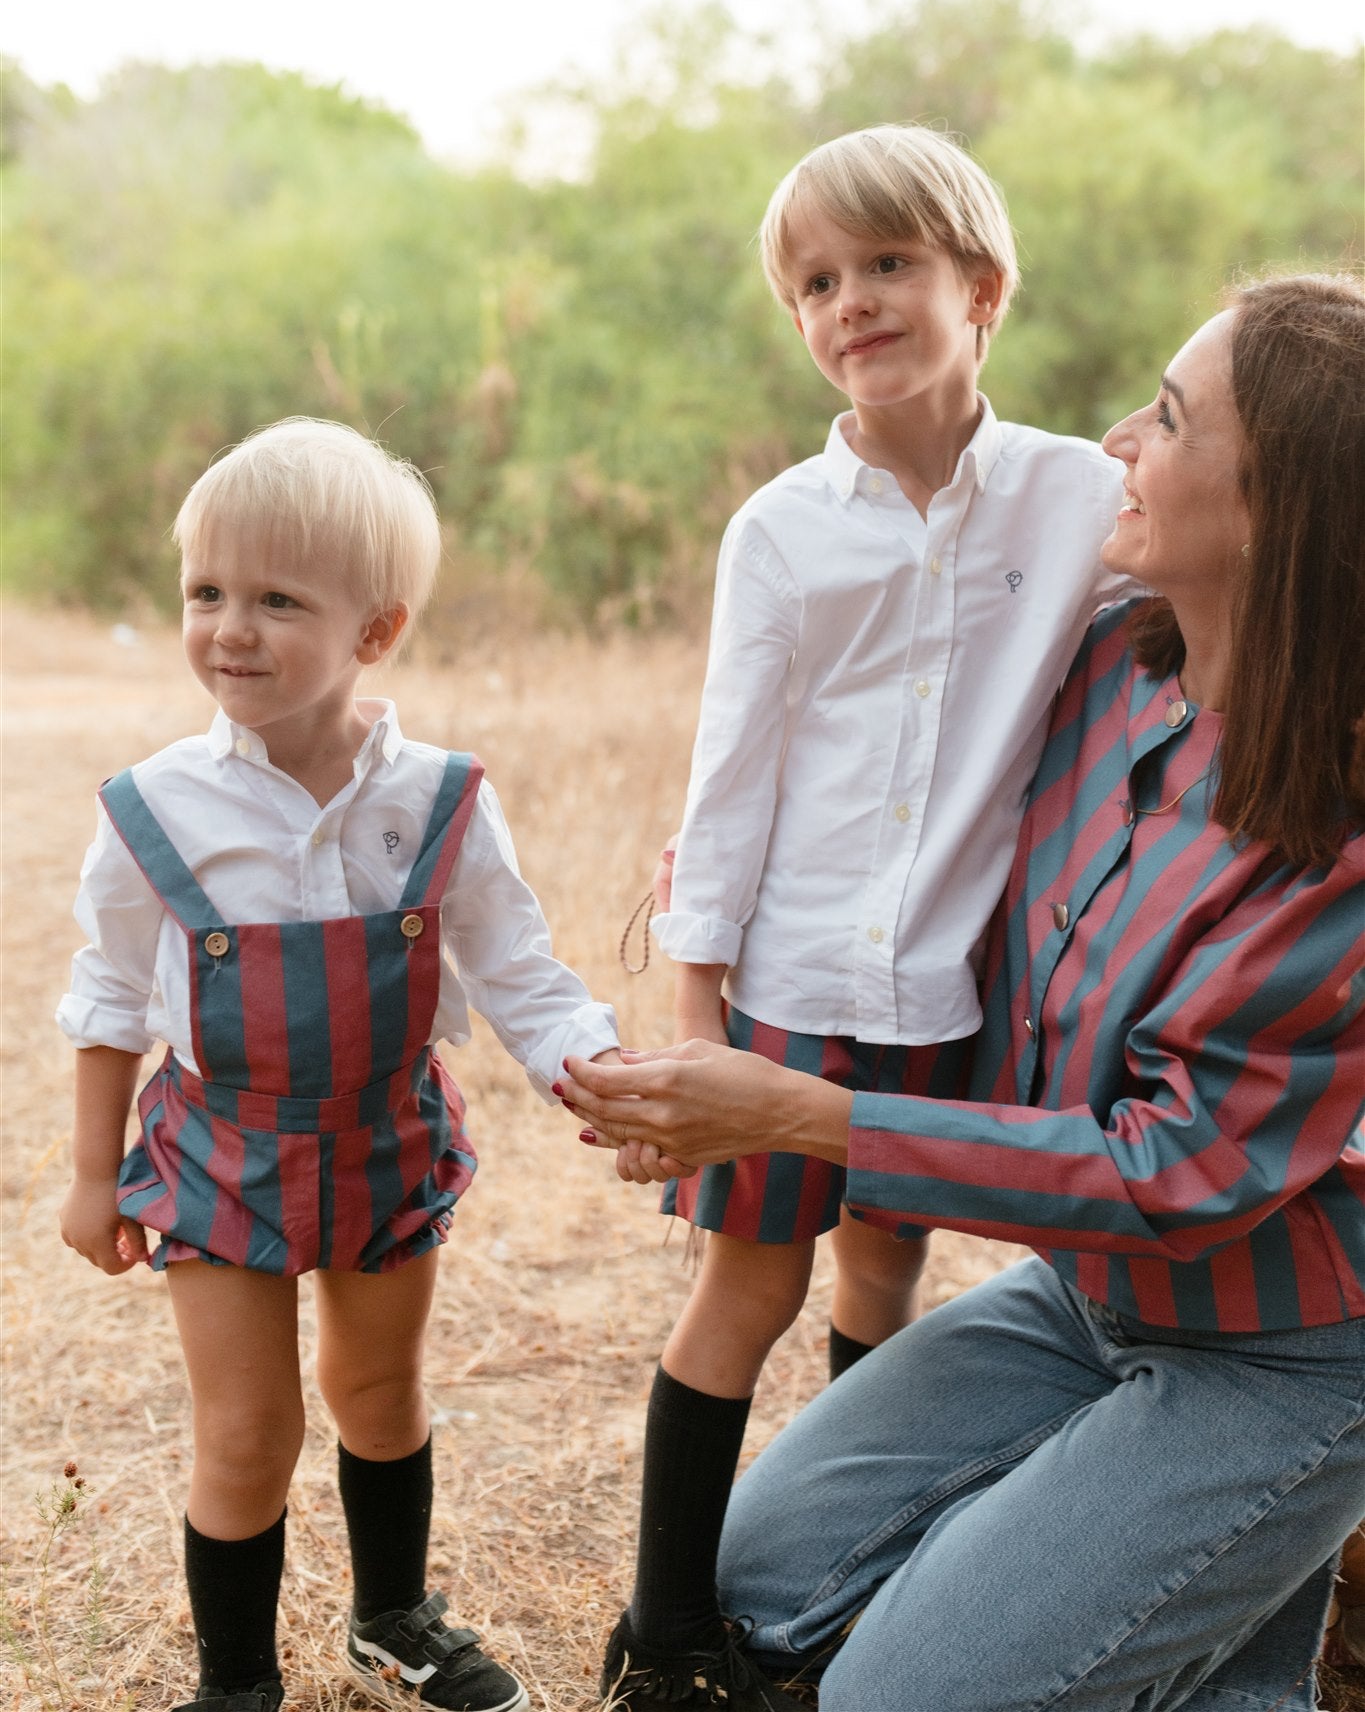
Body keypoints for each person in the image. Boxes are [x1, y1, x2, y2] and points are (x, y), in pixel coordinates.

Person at [566, 273, 1365, 1712]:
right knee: (750, 1583)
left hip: (1282, 1350)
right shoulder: (1106, 685)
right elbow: (884, 802)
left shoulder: (1337, 838)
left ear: (1272, 514)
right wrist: (729, 932)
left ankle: (1253, 1566)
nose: (1117, 437)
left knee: (894, 1698)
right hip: (1084, 1302)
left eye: (1168, 419)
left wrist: (808, 1115)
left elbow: (1168, 1173)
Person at [601, 124, 1129, 1708]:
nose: (850, 303)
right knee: (747, 1289)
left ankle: (861, 1565)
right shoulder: (781, 531)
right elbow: (730, 778)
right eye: (816, 284)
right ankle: (670, 1631)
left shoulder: (1078, 497)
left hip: (956, 990)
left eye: (886, 264)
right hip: (793, 976)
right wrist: (695, 1033)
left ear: (982, 285)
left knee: (887, 1271)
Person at [56, 419, 624, 1712]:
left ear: (376, 632)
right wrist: (93, 1176)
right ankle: (237, 1682)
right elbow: (104, 1001)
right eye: (205, 593)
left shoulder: (437, 802)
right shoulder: (155, 808)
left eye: (275, 599)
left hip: (385, 1141)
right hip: (219, 1154)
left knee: (378, 1389)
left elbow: (520, 974)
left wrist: (593, 1070)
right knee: (248, 1432)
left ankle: (393, 1618)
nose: (227, 629)